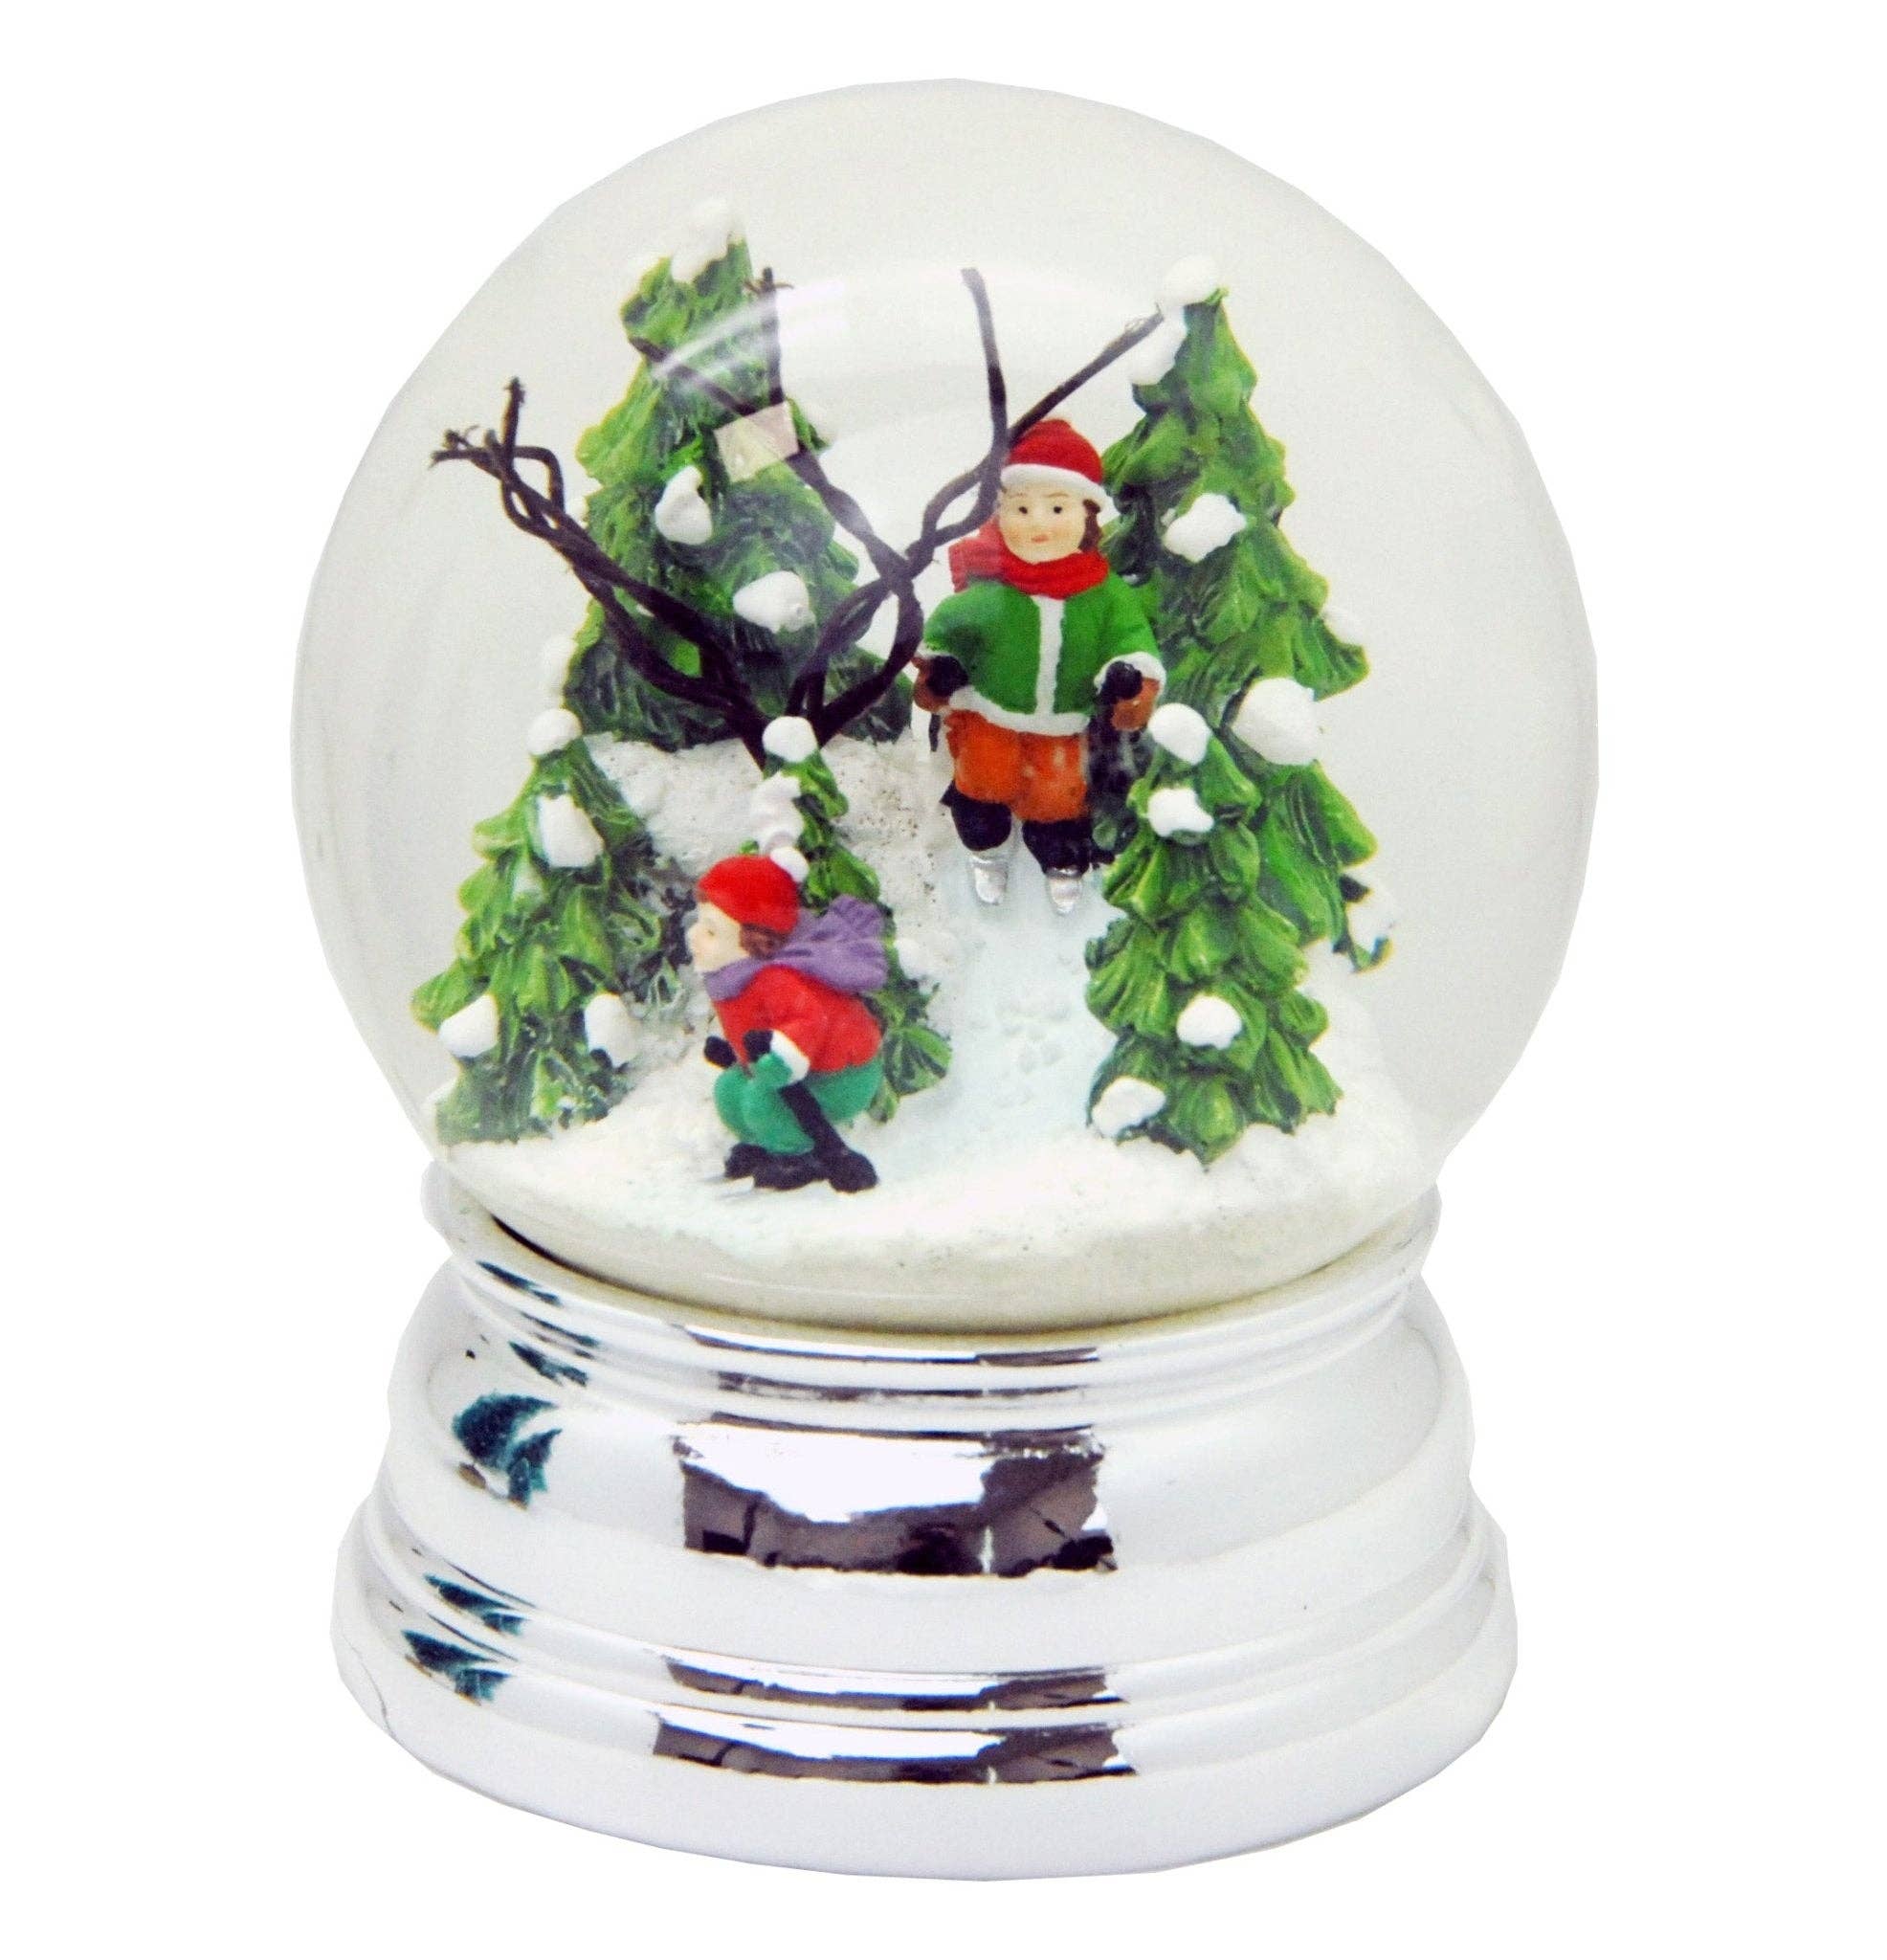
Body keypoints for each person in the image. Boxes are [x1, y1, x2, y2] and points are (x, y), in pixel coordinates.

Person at [916, 419, 1164, 911]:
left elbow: (1131, 637)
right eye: (1022, 508)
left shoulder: (1105, 594)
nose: (1038, 524)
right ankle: (987, 851)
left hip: (1064, 724)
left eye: (1056, 508)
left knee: (1057, 798)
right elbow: (947, 629)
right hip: (991, 716)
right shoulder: (991, 589)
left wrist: (1129, 676)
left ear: (1086, 514)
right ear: (1001, 513)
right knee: (982, 783)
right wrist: (943, 668)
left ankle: (1061, 861)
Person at [687, 855, 886, 1192]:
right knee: (730, 1090)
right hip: (789, 1069)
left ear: (756, 941)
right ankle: (763, 1143)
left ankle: (797, 1157)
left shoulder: (775, 978)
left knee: (764, 1101)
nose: (693, 936)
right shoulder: (734, 976)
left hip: (839, 1075)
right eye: (699, 923)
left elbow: (809, 1019)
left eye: (711, 931)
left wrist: (782, 1060)